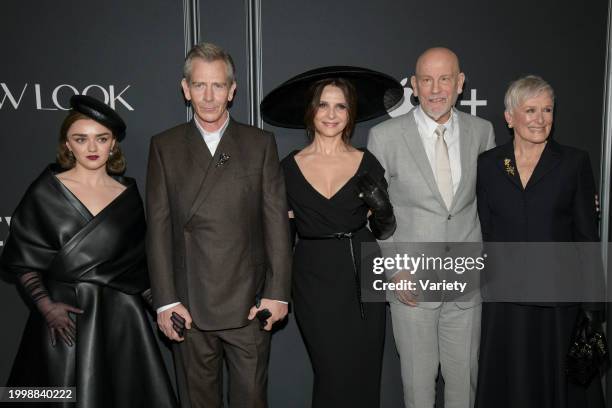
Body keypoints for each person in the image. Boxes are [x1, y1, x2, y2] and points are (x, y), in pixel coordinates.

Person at [0, 95, 177, 407]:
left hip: (122, 320)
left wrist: (163, 309)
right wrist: (45, 307)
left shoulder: (130, 194)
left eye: (102, 139)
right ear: (67, 145)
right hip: (64, 316)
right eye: (81, 139)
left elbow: (139, 269)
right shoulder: (46, 190)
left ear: (113, 145)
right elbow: (21, 257)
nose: (92, 148)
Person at [146, 42, 292, 408]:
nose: (208, 97)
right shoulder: (164, 146)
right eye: (199, 85)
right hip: (189, 307)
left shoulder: (259, 144)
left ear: (232, 90)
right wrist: (165, 302)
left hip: (248, 304)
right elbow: (159, 230)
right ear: (185, 89)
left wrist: (276, 293)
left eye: (217, 86)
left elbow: (276, 222)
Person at [262, 66, 401, 408]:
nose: (331, 114)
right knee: (331, 371)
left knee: (365, 371)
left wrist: (383, 211)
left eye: (340, 106)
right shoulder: (288, 168)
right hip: (313, 276)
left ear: (350, 113)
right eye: (323, 105)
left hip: (363, 270)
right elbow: (281, 235)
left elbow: (384, 228)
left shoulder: (367, 162)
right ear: (311, 111)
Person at [367, 47, 495, 408]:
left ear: (460, 83)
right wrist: (394, 270)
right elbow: (375, 213)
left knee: (464, 383)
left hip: (465, 280)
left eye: (444, 78)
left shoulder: (482, 132)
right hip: (412, 282)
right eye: (427, 79)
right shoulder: (384, 137)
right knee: (418, 388)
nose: (436, 88)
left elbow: (492, 201)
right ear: (414, 85)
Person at [474, 75, 605, 408]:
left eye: (547, 110)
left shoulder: (574, 162)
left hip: (559, 300)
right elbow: (486, 232)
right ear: (509, 118)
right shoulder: (489, 164)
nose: (540, 119)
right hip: (506, 299)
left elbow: (587, 236)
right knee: (510, 383)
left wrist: (593, 305)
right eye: (530, 110)